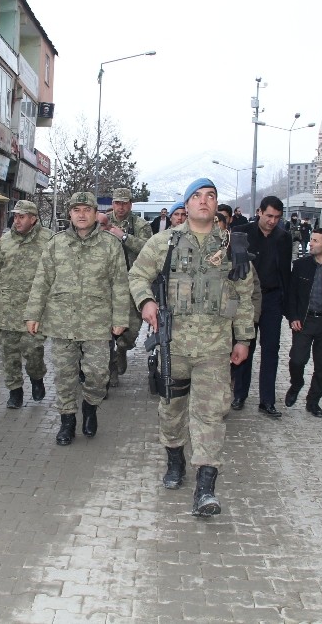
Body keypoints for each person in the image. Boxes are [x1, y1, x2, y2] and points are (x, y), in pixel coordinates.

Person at [129, 178, 255, 517]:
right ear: (187, 204)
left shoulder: (233, 245)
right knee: (171, 408)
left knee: (211, 414)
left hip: (215, 347)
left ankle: (205, 488)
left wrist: (243, 338)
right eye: (197, 196)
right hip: (174, 344)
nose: (204, 201)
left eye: (211, 196)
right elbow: (137, 275)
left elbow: (244, 295)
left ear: (216, 205)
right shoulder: (164, 242)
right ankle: (174, 460)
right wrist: (146, 302)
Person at [25, 191, 129, 446]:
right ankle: (67, 420)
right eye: (76, 210)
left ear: (96, 214)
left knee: (97, 374)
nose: (81, 215)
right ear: (69, 214)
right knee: (64, 375)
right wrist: (33, 313)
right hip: (62, 321)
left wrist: (120, 317)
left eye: (87, 210)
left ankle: (91, 407)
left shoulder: (110, 245)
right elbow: (42, 281)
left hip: (97, 321)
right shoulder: (56, 243)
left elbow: (120, 284)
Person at [230, 195, 293, 416]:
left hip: (273, 299)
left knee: (271, 350)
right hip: (247, 299)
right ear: (259, 212)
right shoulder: (243, 233)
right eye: (269, 216)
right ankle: (239, 394)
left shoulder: (284, 237)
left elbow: (286, 272)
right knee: (244, 343)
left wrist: (289, 306)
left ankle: (267, 400)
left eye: (277, 217)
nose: (272, 221)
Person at [0, 199, 53, 409]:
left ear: (33, 218)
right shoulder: (5, 241)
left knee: (33, 350)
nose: (16, 220)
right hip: (7, 308)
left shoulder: (48, 240)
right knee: (9, 354)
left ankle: (37, 379)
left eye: (21, 216)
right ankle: (15, 391)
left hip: (35, 309)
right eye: (15, 216)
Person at [285, 227, 322, 417]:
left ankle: (313, 401)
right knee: (297, 359)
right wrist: (293, 317)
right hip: (304, 322)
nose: (311, 243)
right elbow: (291, 294)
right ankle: (296, 383)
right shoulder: (301, 265)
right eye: (312, 240)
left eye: (316, 241)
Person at [102, 187, 153, 385]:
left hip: (132, 283)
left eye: (124, 203)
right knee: (105, 330)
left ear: (131, 204)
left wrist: (123, 236)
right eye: (117, 203)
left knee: (131, 330)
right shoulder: (103, 221)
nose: (120, 207)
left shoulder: (140, 225)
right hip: (107, 283)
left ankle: (122, 348)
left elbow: (149, 251)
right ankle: (110, 366)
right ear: (112, 204)